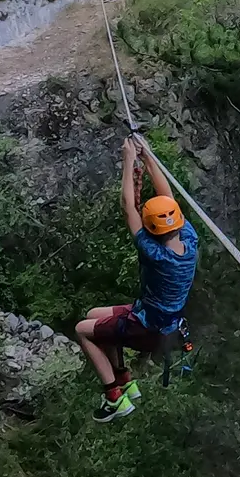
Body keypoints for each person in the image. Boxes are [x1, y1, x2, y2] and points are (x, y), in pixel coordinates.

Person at [74, 135, 199, 422]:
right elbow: (168, 200)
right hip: (159, 321)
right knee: (95, 315)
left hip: (148, 328)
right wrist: (149, 158)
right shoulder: (189, 241)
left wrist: (129, 160)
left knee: (83, 330)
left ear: (151, 230)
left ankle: (113, 397)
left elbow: (128, 207)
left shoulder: (154, 253)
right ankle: (124, 377)